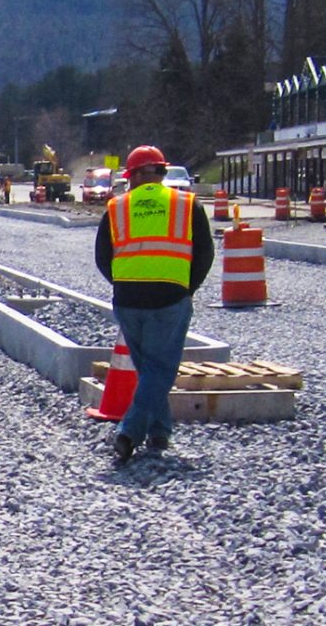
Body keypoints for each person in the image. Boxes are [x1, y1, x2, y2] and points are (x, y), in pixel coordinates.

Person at [96, 144, 214, 463]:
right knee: (160, 370)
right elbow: (205, 253)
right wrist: (187, 288)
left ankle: (160, 430)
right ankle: (130, 431)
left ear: (131, 176)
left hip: (128, 301)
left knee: (149, 369)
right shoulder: (186, 204)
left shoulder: (117, 207)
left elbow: (102, 258)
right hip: (170, 298)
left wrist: (124, 281)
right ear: (161, 173)